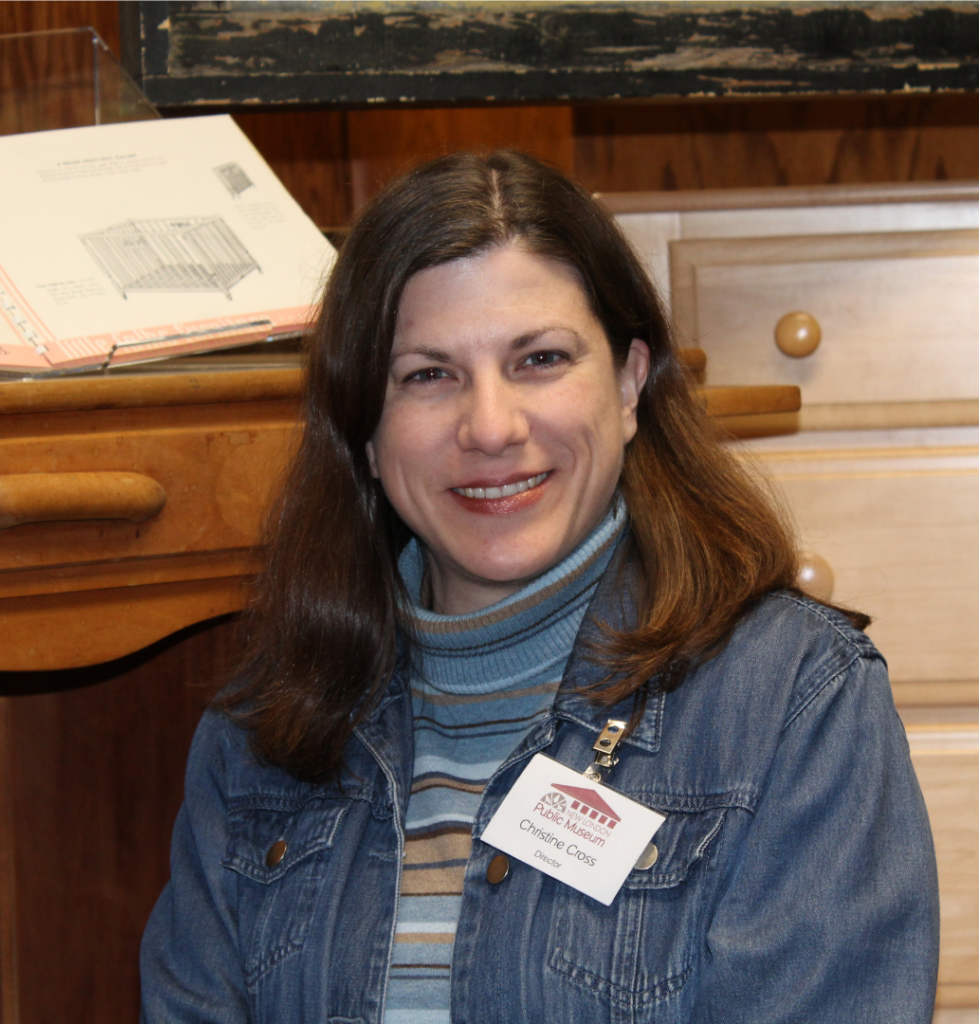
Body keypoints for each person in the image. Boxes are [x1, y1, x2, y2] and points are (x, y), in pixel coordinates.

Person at [140, 151, 939, 1023]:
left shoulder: (794, 701)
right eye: (428, 375)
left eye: (540, 359)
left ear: (629, 383)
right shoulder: (260, 735)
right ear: (366, 430)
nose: (490, 427)